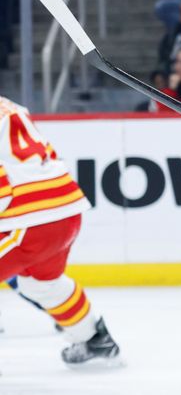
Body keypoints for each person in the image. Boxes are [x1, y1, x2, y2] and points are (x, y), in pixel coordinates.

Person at [0, 97, 121, 366]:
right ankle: (94, 339)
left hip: (28, 218)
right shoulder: (9, 106)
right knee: (42, 284)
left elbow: (3, 187)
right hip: (66, 210)